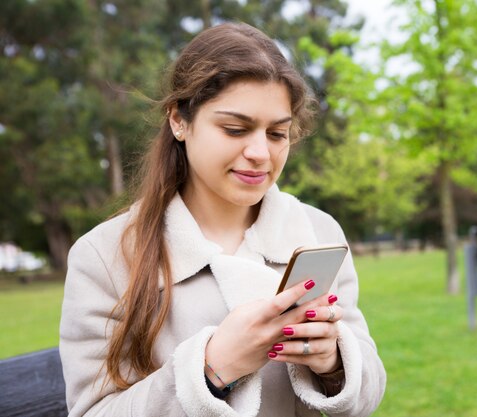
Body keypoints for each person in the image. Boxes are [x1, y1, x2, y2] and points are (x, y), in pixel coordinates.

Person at [59, 22, 386, 417]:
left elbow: (367, 394)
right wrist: (212, 369)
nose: (260, 153)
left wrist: (334, 362)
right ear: (179, 121)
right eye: (235, 129)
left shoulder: (318, 231)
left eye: (277, 134)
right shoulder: (103, 256)